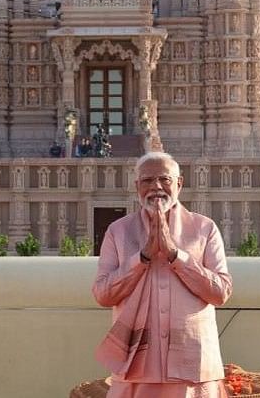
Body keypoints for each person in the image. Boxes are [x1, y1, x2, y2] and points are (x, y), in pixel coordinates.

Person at [92, 152, 232, 397]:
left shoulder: (204, 228)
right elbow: (103, 295)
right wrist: (142, 257)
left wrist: (175, 255)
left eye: (164, 179)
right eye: (147, 180)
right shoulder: (119, 231)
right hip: (136, 370)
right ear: (137, 187)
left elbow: (220, 293)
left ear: (179, 184)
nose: (156, 186)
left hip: (193, 368)